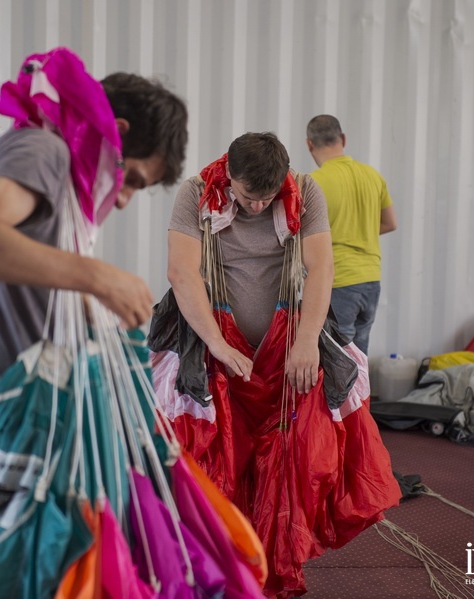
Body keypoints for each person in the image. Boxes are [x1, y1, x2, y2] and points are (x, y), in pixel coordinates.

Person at [0, 48, 188, 598]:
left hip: (10, 438)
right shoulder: (40, 149)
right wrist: (97, 277)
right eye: (134, 179)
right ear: (115, 133)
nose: (123, 200)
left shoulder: (47, 165)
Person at [165, 132, 400, 597]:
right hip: (218, 340)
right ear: (229, 177)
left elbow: (321, 268)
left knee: (294, 455)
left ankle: (271, 565)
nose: (257, 209)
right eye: (249, 198)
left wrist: (308, 341)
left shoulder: (305, 191)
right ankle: (219, 567)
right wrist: (215, 342)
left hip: (284, 343)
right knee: (216, 459)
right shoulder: (194, 193)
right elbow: (181, 272)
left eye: (268, 199)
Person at [306, 114, 396, 354]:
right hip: (371, 279)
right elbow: (390, 223)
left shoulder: (313, 183)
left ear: (309, 144)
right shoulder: (372, 176)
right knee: (359, 358)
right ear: (343, 139)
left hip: (339, 281)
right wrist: (360, 231)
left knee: (337, 362)